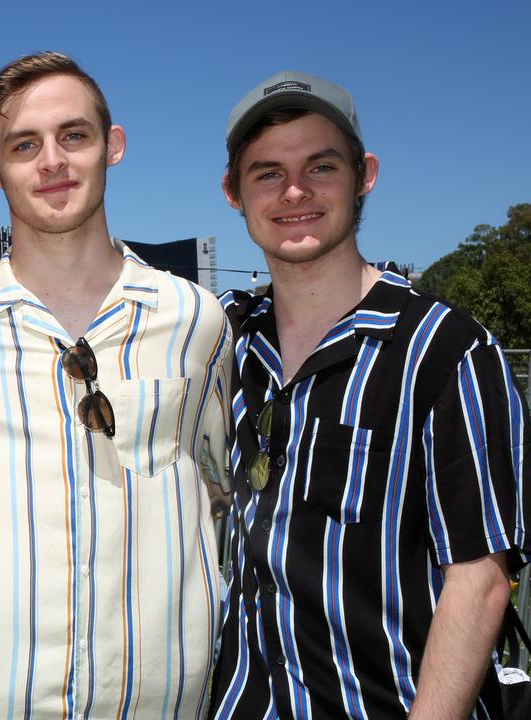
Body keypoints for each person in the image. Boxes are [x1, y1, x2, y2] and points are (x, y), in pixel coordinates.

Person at [0, 52, 233, 718]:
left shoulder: (197, 320)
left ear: (114, 145)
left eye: (73, 135)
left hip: (163, 704)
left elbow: (218, 487)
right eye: (25, 144)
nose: (52, 160)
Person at [205, 71, 529, 718]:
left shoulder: (446, 349)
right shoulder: (220, 338)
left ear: (365, 174)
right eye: (267, 173)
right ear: (233, 194)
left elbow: (482, 577)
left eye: (320, 166)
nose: (294, 190)